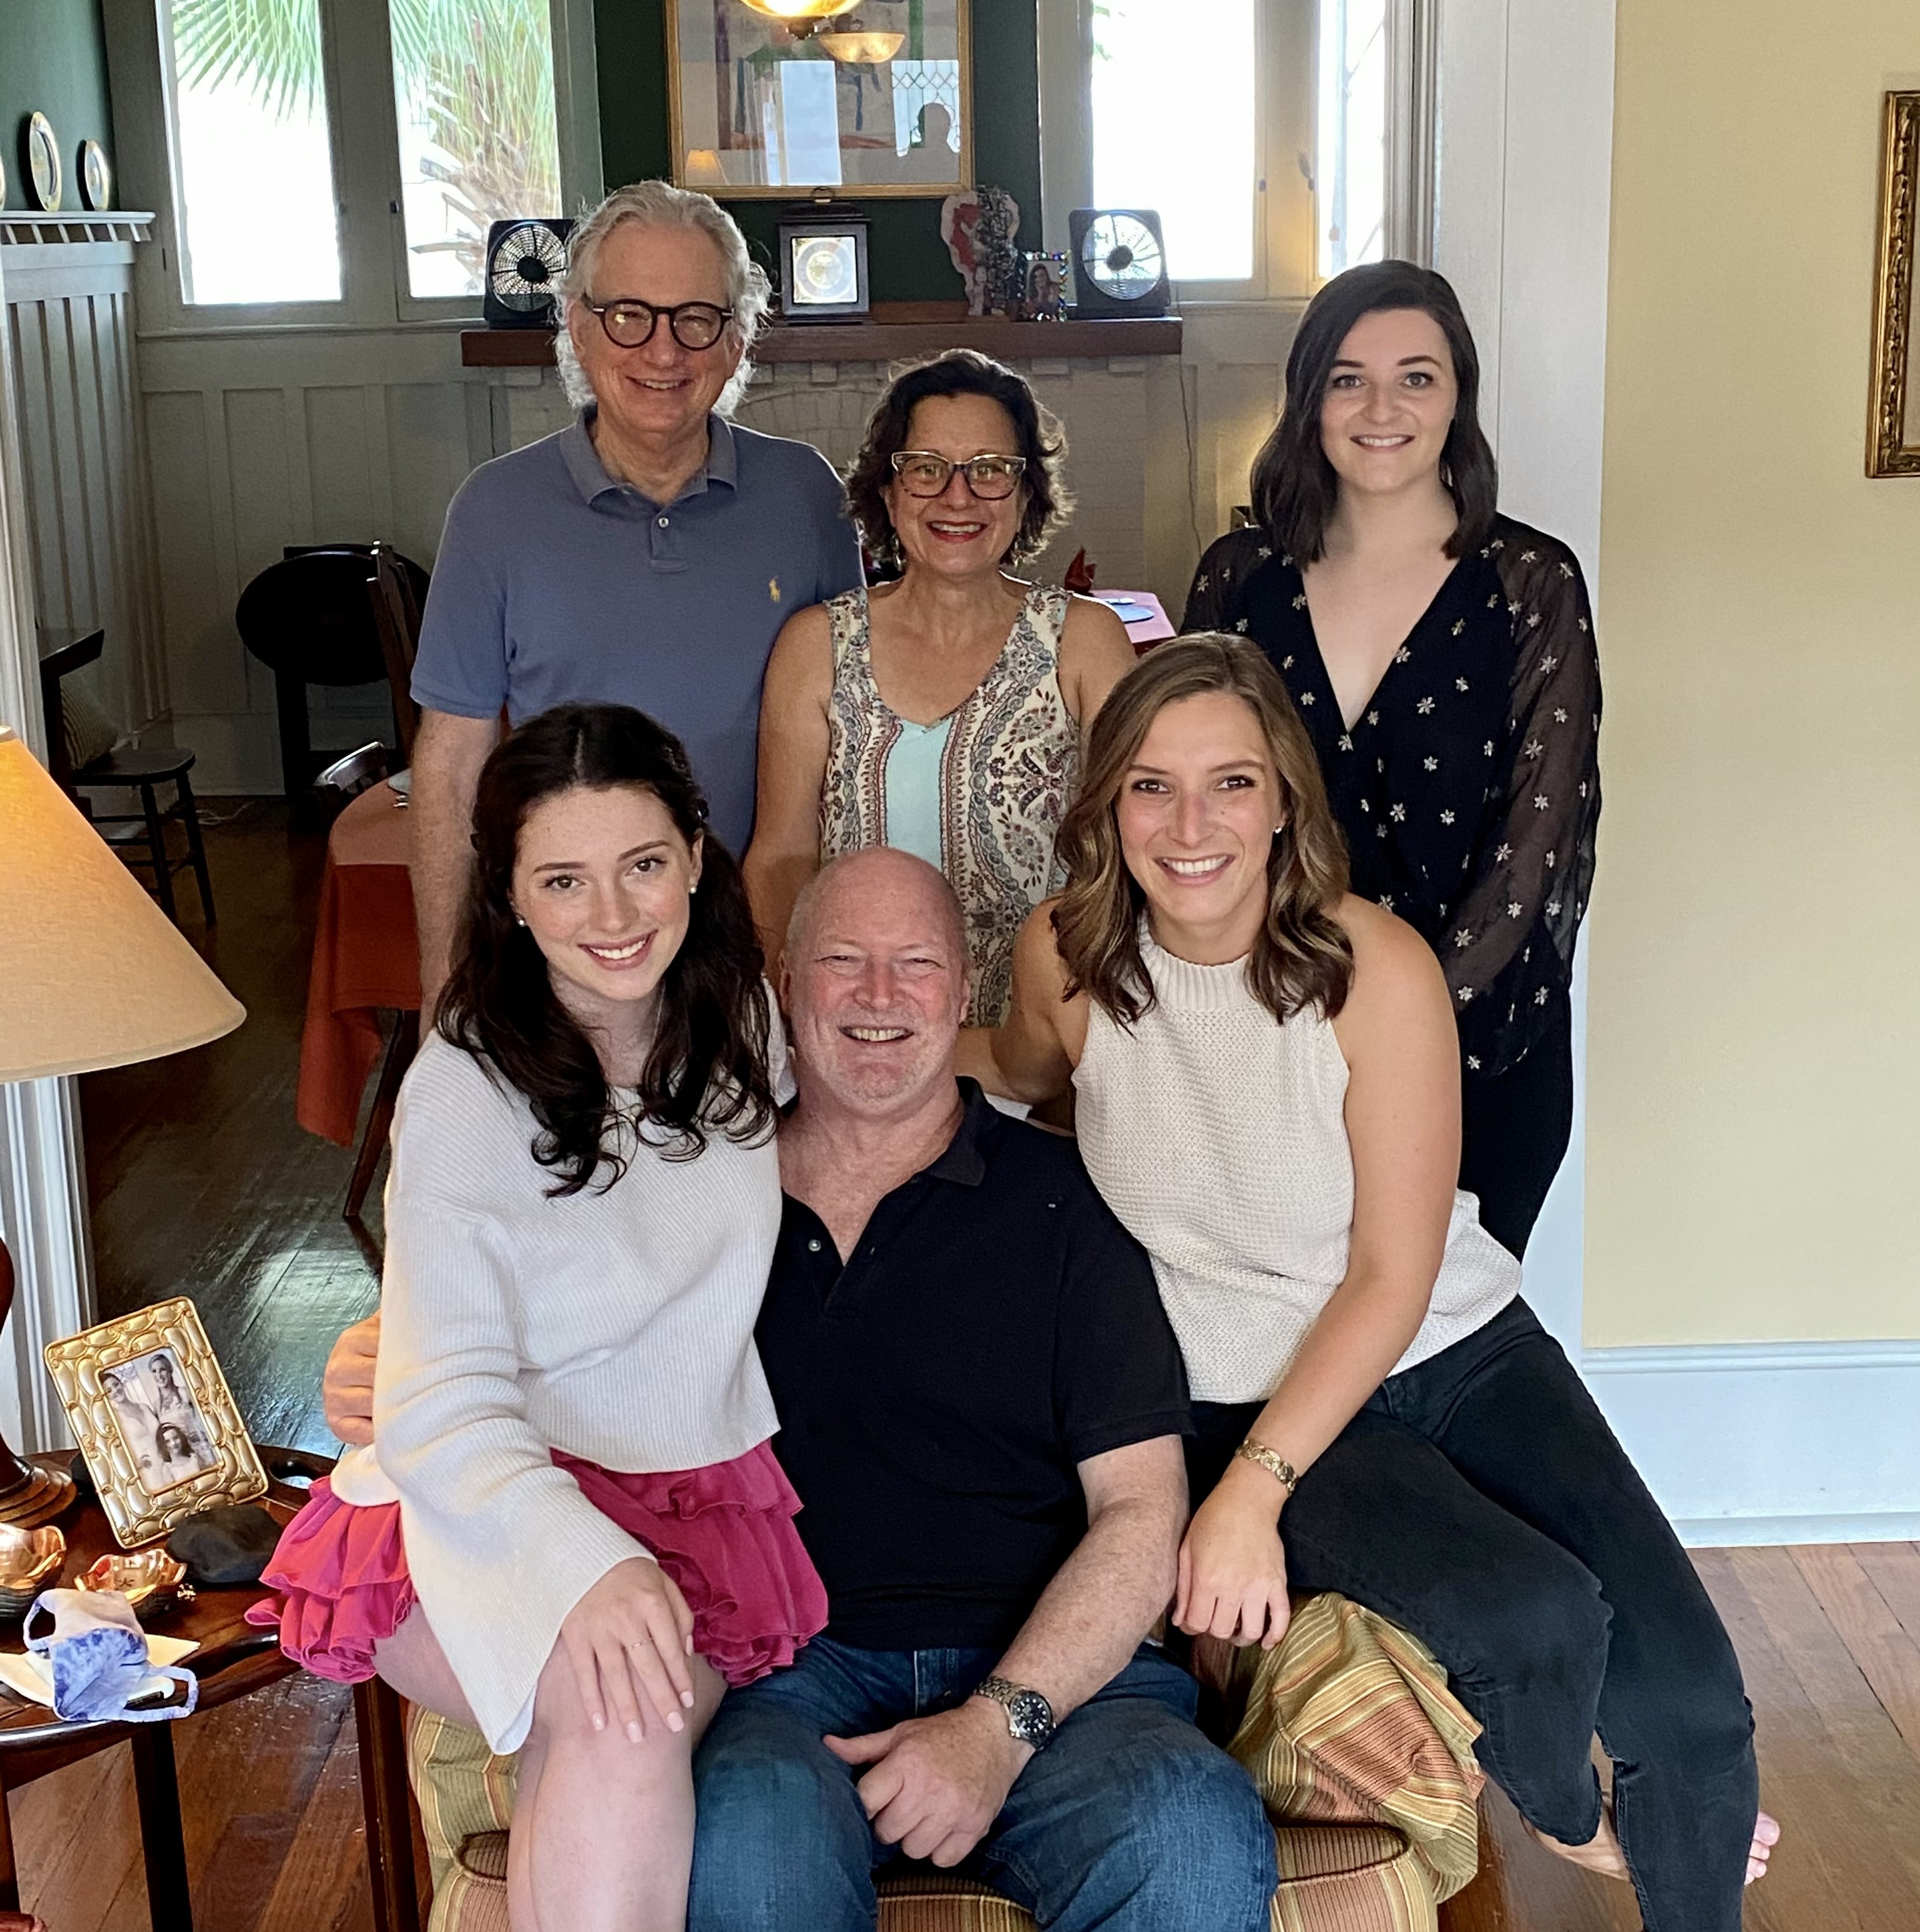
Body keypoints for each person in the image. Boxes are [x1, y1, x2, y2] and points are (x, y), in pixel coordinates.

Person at [967, 637, 1775, 1932]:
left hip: (1453, 1350)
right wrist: (844, 1052)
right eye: (1151, 786)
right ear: (1106, 802)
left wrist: (1246, 1499)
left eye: (1230, 783)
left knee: (1687, 1693)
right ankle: (1570, 1814)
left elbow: (1396, 1274)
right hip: (1246, 1383)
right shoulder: (1065, 959)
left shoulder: (1373, 966)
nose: (1191, 826)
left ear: (1285, 797)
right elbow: (1005, 1067)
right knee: (1533, 1616)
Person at [323, 846, 1279, 1932]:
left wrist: (994, 1726)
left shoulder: (1065, 1201)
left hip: (1063, 1689)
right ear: (782, 987)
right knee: (744, 1860)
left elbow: (1141, 1512)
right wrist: (384, 1348)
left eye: (915, 963)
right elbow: (502, 1324)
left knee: (1190, 1832)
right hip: (786, 1677)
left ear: (966, 994)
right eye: (841, 961)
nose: (878, 996)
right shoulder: (684, 1185)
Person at [250, 705, 827, 1932]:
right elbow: (444, 1399)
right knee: (624, 1713)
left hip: (692, 1488)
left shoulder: (742, 1026)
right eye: (561, 879)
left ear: (695, 853)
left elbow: (900, 1091)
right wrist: (587, 1562)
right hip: (475, 1494)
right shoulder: (463, 1081)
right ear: (508, 895)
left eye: (641, 865)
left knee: (626, 1716)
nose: (611, 916)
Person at [1182, 260, 1600, 1259]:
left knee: (1442, 1352)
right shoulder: (1238, 579)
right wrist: (1274, 1028)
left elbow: (1535, 850)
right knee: (1276, 1349)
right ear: (1308, 398)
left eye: (1416, 376)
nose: (1382, 407)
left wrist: (1390, 1035)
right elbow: (1189, 810)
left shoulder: (1530, 583)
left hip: (1476, 1053)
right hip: (1260, 1035)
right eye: (1347, 377)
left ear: (1459, 396)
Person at [408, 181, 865, 1018]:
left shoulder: (804, 495)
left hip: (760, 949)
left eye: (697, 317)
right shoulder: (494, 510)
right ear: (579, 330)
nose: (664, 352)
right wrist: (447, 994)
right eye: (629, 316)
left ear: (736, 342)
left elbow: (857, 737)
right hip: (573, 952)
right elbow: (448, 768)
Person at [743, 350, 1135, 1022]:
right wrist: (801, 1017)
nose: (959, 496)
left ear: (1024, 493)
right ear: (889, 494)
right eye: (926, 469)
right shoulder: (816, 645)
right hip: (862, 1032)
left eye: (990, 470)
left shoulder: (1085, 641)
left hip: (1046, 1035)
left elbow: (1129, 852)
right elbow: (782, 856)